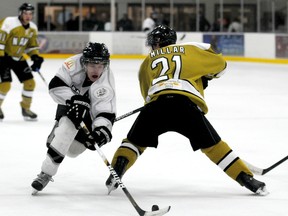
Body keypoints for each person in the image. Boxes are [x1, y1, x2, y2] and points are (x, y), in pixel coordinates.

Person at [105, 25, 268, 196]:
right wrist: (206, 76)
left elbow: (147, 95)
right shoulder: (190, 51)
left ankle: (117, 170)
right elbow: (222, 65)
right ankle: (247, 179)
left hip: (156, 106)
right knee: (214, 147)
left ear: (156, 44)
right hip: (186, 108)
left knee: (134, 143)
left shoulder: (147, 61)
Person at [31, 42, 116, 194]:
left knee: (74, 150)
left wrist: (101, 129)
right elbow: (55, 86)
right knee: (67, 130)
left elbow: (105, 109)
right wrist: (74, 99)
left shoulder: (107, 78)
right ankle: (46, 173)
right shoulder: (71, 65)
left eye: (100, 65)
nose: (96, 70)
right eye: (92, 65)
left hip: (89, 111)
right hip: (69, 104)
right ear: (84, 63)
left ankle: (58, 136)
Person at [0, 3, 44, 121]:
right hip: (4, 57)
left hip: (18, 58)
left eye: (30, 13)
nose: (28, 16)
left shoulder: (33, 28)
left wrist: (35, 57)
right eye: (25, 13)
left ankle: (25, 109)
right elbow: (1, 40)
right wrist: (1, 56)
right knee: (5, 84)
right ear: (20, 13)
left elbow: (32, 46)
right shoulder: (9, 22)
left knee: (30, 83)